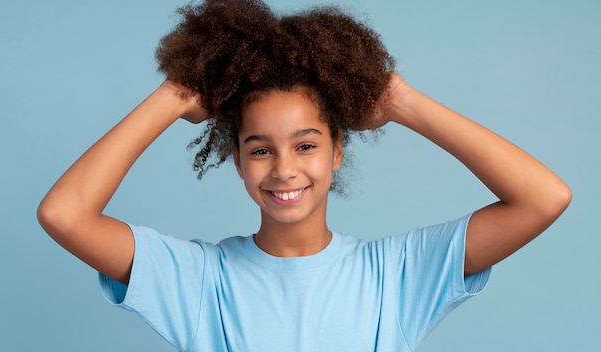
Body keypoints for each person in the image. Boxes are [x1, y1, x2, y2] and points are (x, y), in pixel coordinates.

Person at [37, 0, 571, 351]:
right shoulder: (198, 281)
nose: (284, 169)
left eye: (307, 144)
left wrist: (400, 100)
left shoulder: (398, 276)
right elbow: (65, 214)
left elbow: (543, 198)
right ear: (238, 159)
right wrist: (173, 96)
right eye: (261, 148)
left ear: (338, 150)